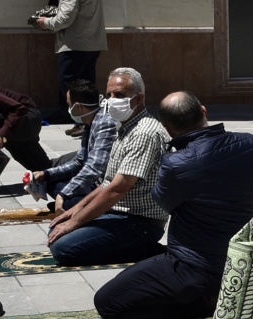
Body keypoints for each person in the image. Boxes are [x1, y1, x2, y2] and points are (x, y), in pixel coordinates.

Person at [94, 93, 253, 319]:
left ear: (167, 129)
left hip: (194, 266)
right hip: (241, 263)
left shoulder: (175, 164)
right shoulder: (251, 144)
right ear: (204, 111)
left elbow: (164, 203)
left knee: (107, 303)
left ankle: (206, 305)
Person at [46, 67, 170, 266]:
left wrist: (74, 222)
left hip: (140, 222)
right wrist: (74, 211)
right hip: (118, 212)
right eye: (109, 94)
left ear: (138, 99)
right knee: (57, 229)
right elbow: (107, 183)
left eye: (119, 95)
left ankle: (147, 250)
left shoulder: (143, 133)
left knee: (63, 249)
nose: (111, 100)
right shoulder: (125, 127)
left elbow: (117, 189)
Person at [36, 0, 107, 108]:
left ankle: (76, 116)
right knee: (86, 86)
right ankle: (87, 117)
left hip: (75, 45)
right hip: (91, 44)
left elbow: (64, 19)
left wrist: (45, 22)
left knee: (68, 85)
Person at [31, 79, 117, 209]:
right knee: (48, 181)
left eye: (68, 105)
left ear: (78, 107)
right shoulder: (90, 122)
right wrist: (46, 174)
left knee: (65, 195)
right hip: (93, 183)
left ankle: (72, 206)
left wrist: (63, 194)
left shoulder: (104, 124)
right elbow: (79, 161)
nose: (68, 109)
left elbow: (94, 168)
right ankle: (69, 204)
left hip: (103, 188)